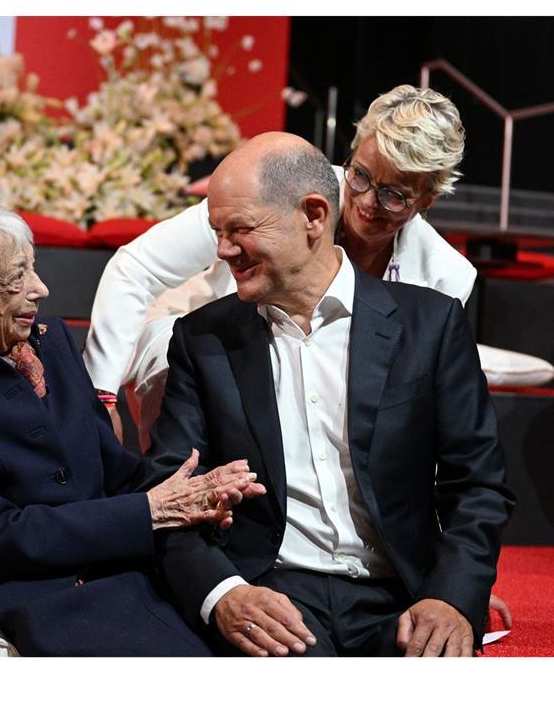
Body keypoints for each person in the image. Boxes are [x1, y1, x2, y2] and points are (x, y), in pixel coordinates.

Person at [84, 84, 513, 632]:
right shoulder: (271, 188)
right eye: (360, 176)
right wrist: (99, 393)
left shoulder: (447, 280)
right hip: (210, 353)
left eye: (394, 196)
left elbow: (430, 448)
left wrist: (452, 579)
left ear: (427, 198)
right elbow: (133, 269)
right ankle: (188, 549)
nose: (364, 202)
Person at [0, 201, 265, 656]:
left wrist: (195, 494)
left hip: (118, 568)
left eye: (33, 268)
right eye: (17, 277)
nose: (41, 288)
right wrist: (147, 512)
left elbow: (116, 472)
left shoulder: (49, 341)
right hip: (23, 589)